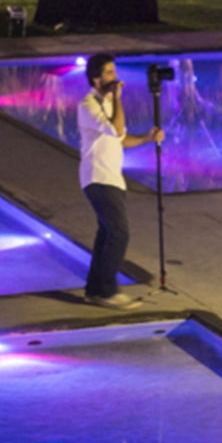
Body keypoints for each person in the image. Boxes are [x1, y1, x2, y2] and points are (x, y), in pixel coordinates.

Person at [77, 54, 161, 308]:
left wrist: (147, 138)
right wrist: (118, 99)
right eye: (110, 73)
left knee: (106, 235)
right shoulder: (88, 105)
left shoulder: (108, 104)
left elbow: (121, 140)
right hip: (98, 177)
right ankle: (107, 291)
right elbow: (116, 130)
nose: (115, 77)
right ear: (96, 79)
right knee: (119, 233)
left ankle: (94, 290)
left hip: (112, 178)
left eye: (114, 71)